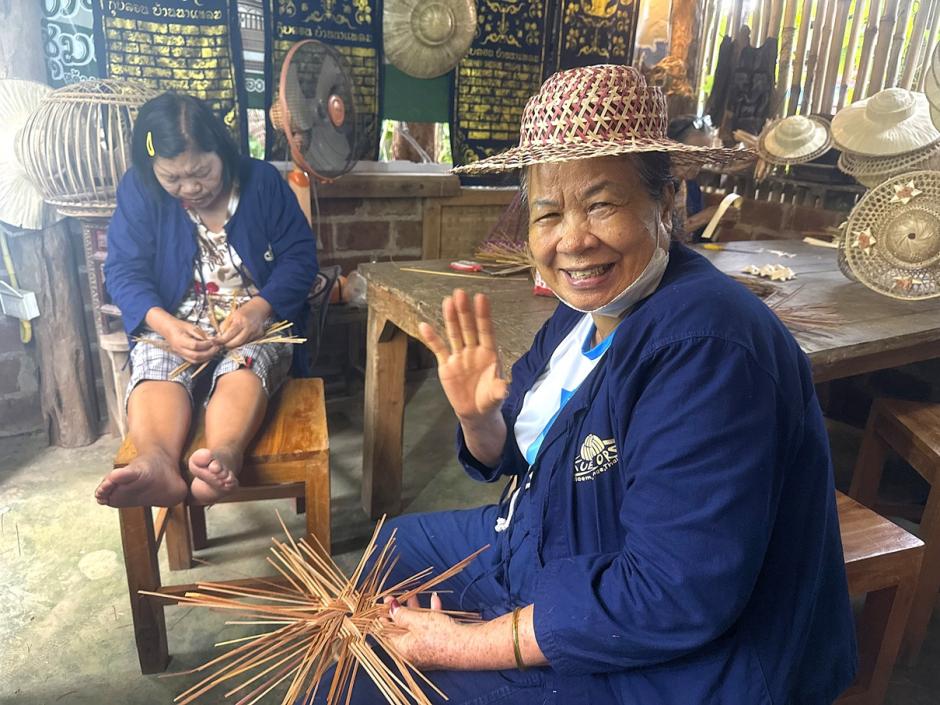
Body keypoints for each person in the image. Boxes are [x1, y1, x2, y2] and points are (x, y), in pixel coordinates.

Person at [315, 65, 857, 704]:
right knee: (391, 548)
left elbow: (670, 593)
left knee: (366, 681)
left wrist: (458, 644)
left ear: (665, 203)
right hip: (554, 543)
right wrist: (476, 419)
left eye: (602, 203)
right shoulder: (584, 312)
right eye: (547, 213)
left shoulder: (708, 349)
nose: (572, 240)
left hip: (679, 661)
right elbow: (522, 452)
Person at [95, 93, 318, 509]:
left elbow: (300, 259)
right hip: (176, 323)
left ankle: (223, 456)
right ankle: (157, 463)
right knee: (155, 366)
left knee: (245, 365)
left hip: (253, 318)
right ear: (152, 168)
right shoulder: (140, 189)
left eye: (201, 172)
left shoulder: (262, 182)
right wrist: (163, 324)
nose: (191, 188)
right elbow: (124, 270)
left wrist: (260, 308)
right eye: (172, 178)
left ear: (222, 149)